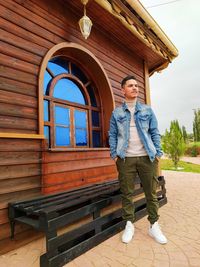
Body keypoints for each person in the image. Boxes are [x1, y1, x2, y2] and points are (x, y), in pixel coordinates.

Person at [109, 75, 167, 244]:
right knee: (127, 193)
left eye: (136, 85)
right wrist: (114, 155)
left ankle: (154, 225)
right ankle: (129, 224)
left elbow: (155, 132)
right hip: (125, 159)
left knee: (151, 193)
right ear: (122, 90)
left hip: (147, 158)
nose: (135, 88)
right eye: (130, 85)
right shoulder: (117, 113)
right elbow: (112, 134)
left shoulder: (147, 110)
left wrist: (157, 153)